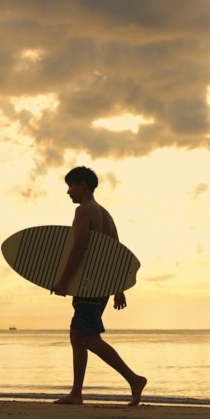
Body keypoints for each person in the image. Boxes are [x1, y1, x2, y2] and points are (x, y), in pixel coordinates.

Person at [50, 166, 147, 406]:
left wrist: (63, 280)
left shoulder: (84, 211)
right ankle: (76, 393)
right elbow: (115, 252)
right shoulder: (106, 214)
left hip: (89, 284)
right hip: (101, 284)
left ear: (82, 185)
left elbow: (78, 247)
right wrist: (118, 287)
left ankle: (134, 379)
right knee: (76, 336)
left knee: (89, 338)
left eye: (70, 186)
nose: (68, 192)